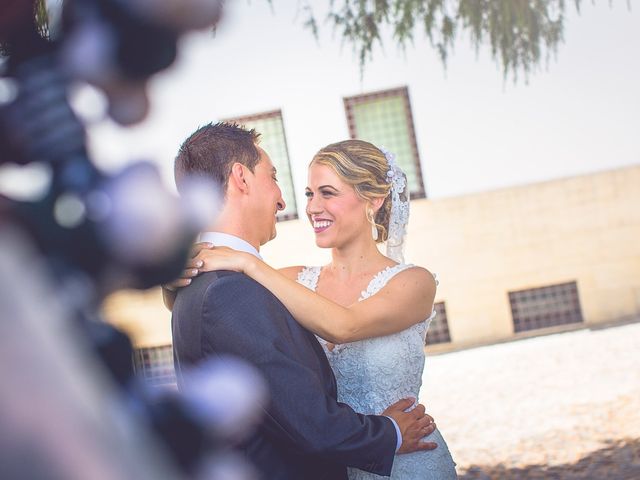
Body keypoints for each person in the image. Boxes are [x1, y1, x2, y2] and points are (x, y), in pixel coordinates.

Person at [167, 138, 458, 479]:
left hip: (406, 458)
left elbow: (345, 325)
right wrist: (173, 280)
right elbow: (220, 307)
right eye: (309, 193)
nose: (311, 207)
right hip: (335, 460)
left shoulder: (414, 282)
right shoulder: (290, 281)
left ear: (374, 200)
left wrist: (249, 263)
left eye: (328, 193)